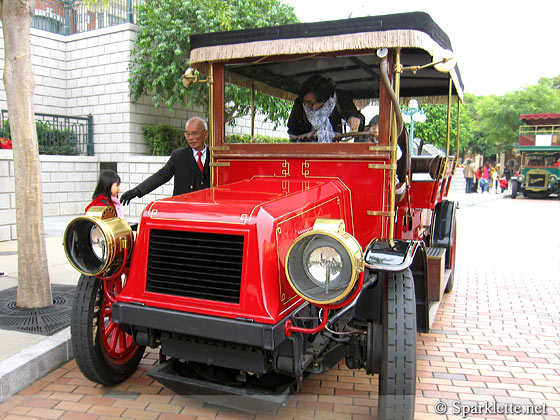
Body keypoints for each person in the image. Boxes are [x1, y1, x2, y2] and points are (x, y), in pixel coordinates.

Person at [120, 117, 210, 205]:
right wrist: (137, 191)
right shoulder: (178, 156)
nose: (190, 138)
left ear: (205, 134)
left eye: (194, 133)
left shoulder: (215, 156)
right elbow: (161, 176)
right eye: (187, 134)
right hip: (183, 210)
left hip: (208, 211)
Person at [287, 75, 365, 142]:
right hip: (306, 152)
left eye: (316, 103)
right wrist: (312, 136)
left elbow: (357, 116)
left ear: (324, 99)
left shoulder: (339, 99)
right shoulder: (299, 104)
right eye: (307, 102)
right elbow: (292, 132)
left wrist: (355, 118)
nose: (312, 107)